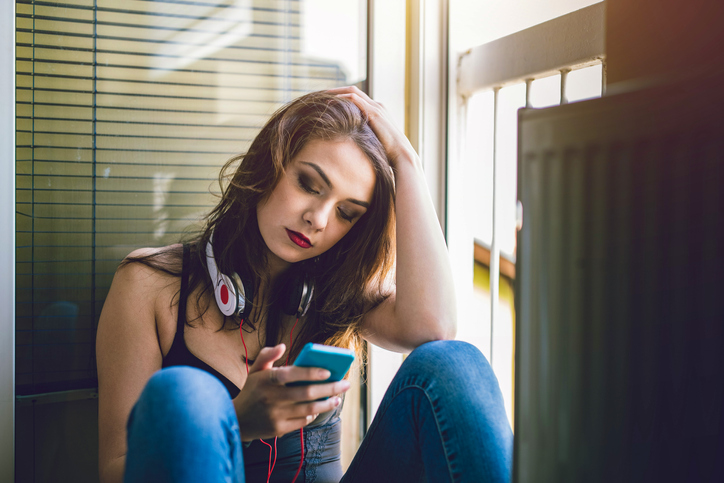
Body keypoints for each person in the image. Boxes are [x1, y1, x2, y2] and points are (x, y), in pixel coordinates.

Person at [96, 86, 513, 483]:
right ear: (268, 166)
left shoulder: (338, 295)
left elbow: (433, 328)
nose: (319, 218)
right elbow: (115, 471)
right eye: (308, 184)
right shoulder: (148, 285)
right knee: (186, 394)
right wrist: (234, 420)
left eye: (347, 213)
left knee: (453, 362)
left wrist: (406, 160)